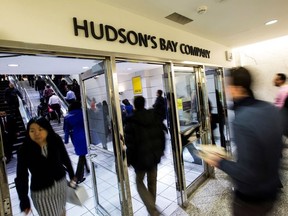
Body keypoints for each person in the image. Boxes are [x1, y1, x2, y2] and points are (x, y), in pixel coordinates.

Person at [203, 67, 282, 216]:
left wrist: (218, 161)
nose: (226, 90)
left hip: (251, 200)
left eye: (228, 85)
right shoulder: (270, 109)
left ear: (237, 88)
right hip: (272, 192)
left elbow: (247, 172)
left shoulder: (242, 119)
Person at [15, 117, 76, 216]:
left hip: (61, 186)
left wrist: (72, 176)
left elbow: (65, 158)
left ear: (47, 129)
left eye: (40, 129)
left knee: (62, 212)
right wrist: (24, 199)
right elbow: (21, 176)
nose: (36, 133)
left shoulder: (55, 139)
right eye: (32, 130)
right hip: (42, 193)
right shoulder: (24, 149)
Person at [124, 96, 165, 216]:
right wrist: (160, 152)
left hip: (140, 160)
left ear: (135, 105)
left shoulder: (131, 121)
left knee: (139, 182)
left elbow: (129, 144)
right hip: (153, 157)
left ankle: (152, 210)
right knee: (152, 183)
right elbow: (161, 136)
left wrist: (129, 160)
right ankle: (152, 210)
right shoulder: (153, 116)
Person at [64, 101, 90, 184]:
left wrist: (66, 139)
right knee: (82, 155)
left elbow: (66, 129)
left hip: (74, 137)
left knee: (81, 153)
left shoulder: (67, 117)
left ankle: (87, 168)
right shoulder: (83, 113)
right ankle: (78, 177)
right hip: (84, 135)